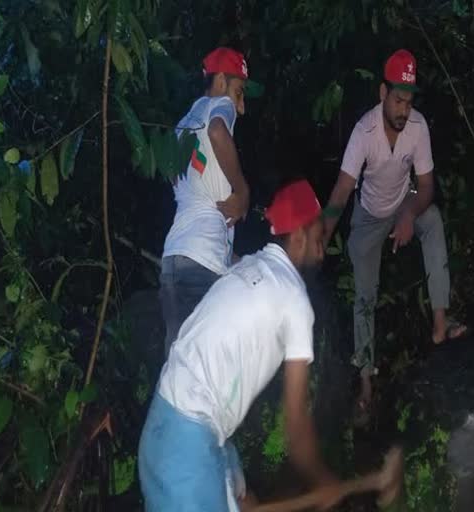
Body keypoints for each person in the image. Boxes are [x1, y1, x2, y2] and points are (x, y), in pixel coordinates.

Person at [139, 179, 342, 511]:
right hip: (186, 454)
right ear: (300, 237)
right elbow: (296, 424)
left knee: (246, 501)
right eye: (319, 241)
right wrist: (324, 481)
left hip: (175, 430)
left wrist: (238, 491)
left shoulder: (247, 266)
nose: (322, 253)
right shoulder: (293, 299)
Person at [321, 49, 467, 417]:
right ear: (382, 93)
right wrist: (320, 238)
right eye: (398, 100)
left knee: (431, 219)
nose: (404, 109)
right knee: (365, 297)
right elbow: (341, 190)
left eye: (409, 101)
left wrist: (407, 212)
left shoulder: (417, 127)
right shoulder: (363, 132)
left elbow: (427, 186)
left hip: (405, 204)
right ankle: (367, 381)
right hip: (368, 219)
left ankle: (439, 323)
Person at [159, 47, 256, 354]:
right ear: (221, 82)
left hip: (172, 259)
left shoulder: (183, 125)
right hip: (201, 263)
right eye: (239, 92)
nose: (240, 107)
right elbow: (217, 131)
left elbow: (174, 178)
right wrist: (242, 191)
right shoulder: (219, 107)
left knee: (177, 364)